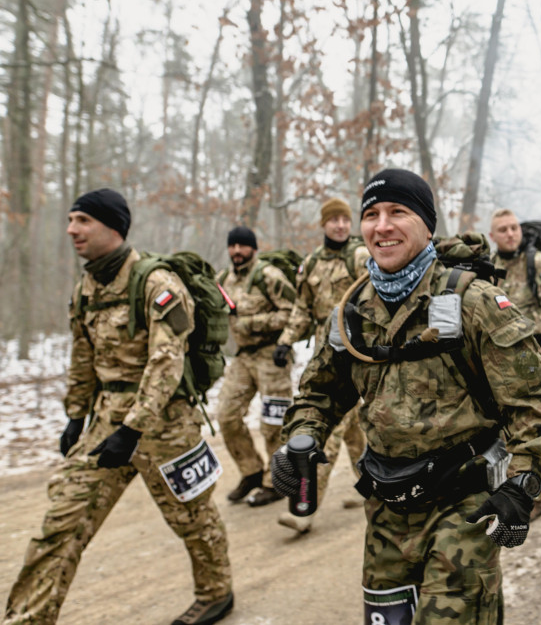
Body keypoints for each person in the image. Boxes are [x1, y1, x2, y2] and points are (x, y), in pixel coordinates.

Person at [275, 168, 541, 623]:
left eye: (398, 212)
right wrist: (303, 436)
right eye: (371, 214)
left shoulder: (475, 302)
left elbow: (536, 409)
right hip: (387, 509)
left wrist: (522, 485)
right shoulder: (350, 312)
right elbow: (319, 393)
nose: (382, 225)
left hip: (464, 506)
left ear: (427, 225)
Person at [4, 189, 233, 625]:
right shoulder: (86, 287)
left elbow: (168, 362)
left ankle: (217, 592)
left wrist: (134, 429)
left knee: (194, 519)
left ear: (113, 227)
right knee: (61, 522)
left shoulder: (157, 284)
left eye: (83, 221)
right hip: (106, 421)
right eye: (71, 220)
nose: (71, 229)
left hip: (164, 425)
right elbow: (83, 356)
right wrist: (76, 414)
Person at [273, 197, 370, 532]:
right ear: (324, 224)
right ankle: (368, 483)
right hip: (322, 352)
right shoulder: (312, 262)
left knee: (329, 428)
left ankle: (305, 505)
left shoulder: (360, 256)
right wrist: (285, 341)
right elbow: (302, 306)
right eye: (334, 220)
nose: (341, 225)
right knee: (353, 427)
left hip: (354, 352)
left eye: (345, 219)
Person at [490, 208, 541, 520]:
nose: (510, 233)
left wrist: (515, 329)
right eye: (503, 230)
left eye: (513, 228)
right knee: (499, 427)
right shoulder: (491, 267)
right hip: (496, 359)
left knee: (536, 423)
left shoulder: (540, 263)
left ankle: (534, 495)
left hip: (531, 355)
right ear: (493, 236)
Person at [217, 226, 296, 507]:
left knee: (273, 424)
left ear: (253, 248)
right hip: (242, 358)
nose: (237, 251)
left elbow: (293, 312)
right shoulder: (223, 279)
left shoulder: (268, 276)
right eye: (232, 246)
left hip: (271, 355)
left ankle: (275, 482)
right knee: (225, 415)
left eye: (242, 245)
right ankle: (251, 471)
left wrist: (251, 323)